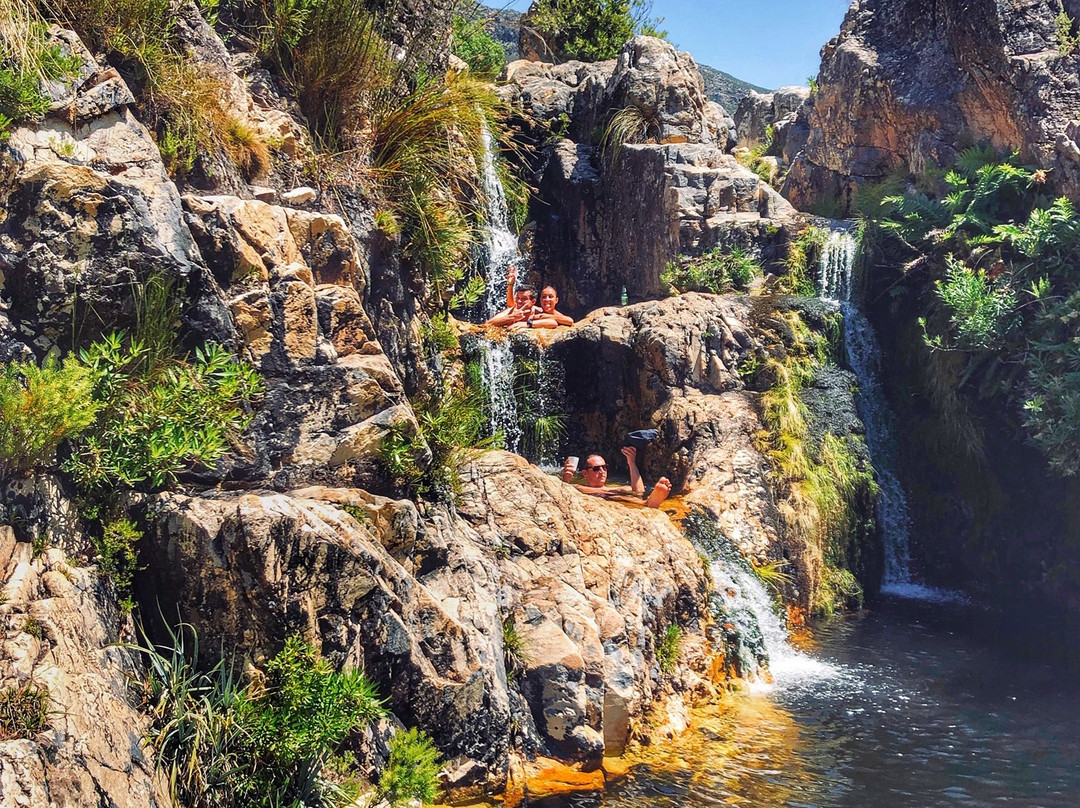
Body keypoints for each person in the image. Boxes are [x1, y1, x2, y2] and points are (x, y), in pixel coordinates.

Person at [562, 446, 672, 508]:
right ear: (585, 473)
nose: (602, 471)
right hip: (597, 500)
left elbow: (639, 491)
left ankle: (649, 502)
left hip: (611, 498)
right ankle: (648, 503)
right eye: (596, 468)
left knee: (624, 495)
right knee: (616, 496)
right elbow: (562, 492)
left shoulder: (616, 489)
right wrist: (566, 478)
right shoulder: (578, 488)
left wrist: (631, 463)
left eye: (604, 467)